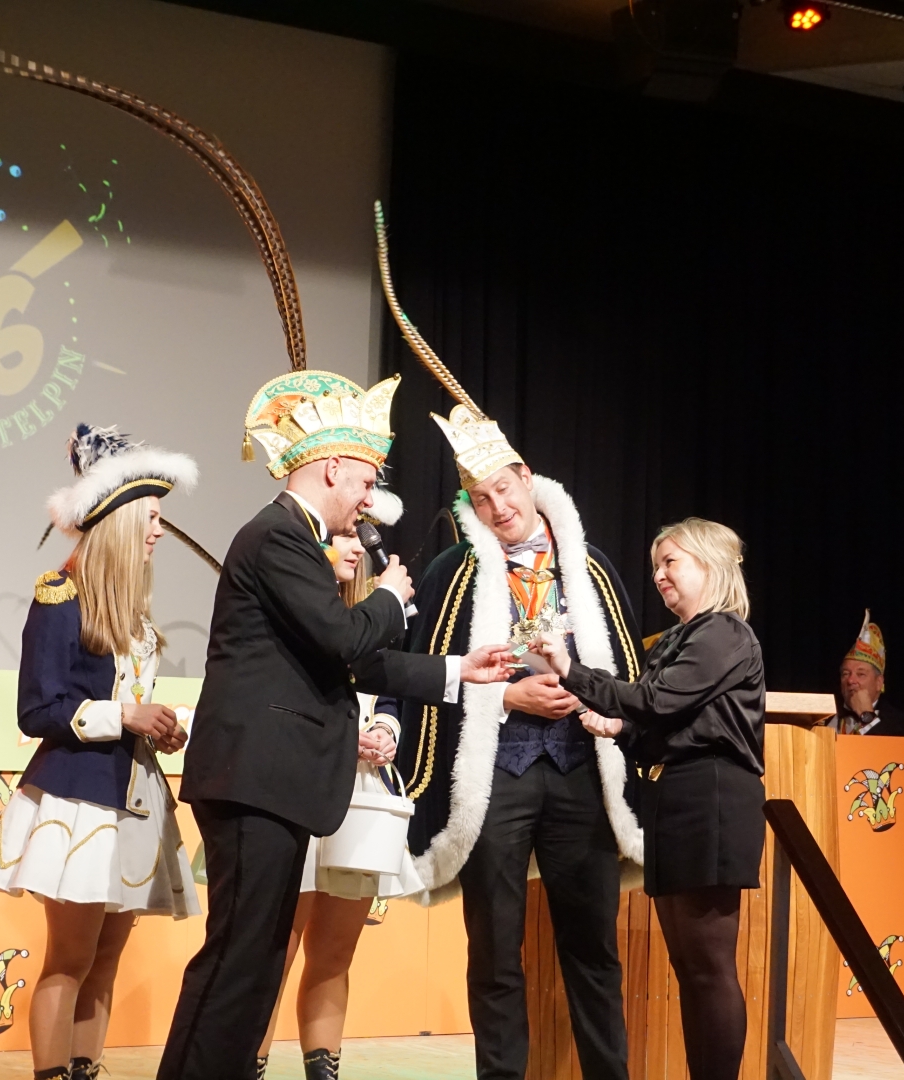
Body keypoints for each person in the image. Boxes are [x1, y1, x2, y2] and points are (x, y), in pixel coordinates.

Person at [160, 372, 514, 1080]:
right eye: (366, 481)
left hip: (274, 784)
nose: (369, 500)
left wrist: (456, 670)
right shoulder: (278, 536)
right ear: (331, 469)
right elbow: (345, 639)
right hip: (254, 781)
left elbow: (350, 661)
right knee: (237, 959)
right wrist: (388, 597)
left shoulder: (295, 538)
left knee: (257, 961)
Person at [383, 409, 644, 1080]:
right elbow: (422, 672)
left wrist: (588, 695)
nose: (499, 508)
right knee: (495, 950)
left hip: (580, 768)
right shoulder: (452, 571)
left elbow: (627, 673)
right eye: (481, 499)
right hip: (497, 773)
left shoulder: (591, 568)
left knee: (592, 949)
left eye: (504, 489)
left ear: (527, 478)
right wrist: (506, 697)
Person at [0, 424, 201, 1080]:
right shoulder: (59, 597)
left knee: (105, 962)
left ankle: (86, 1068)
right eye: (151, 518)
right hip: (77, 802)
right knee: (69, 960)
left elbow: (129, 704)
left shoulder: (135, 613)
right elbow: (37, 710)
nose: (159, 531)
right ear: (120, 520)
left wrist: (160, 726)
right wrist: (124, 714)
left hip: (133, 797)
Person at [532, 517, 764, 1080]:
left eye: (671, 562)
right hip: (675, 798)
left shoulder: (724, 632)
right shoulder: (680, 638)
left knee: (708, 964)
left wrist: (570, 671)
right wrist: (621, 729)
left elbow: (657, 701)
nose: (659, 575)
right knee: (688, 965)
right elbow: (662, 718)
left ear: (710, 564)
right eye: (656, 565)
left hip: (710, 799)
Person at [257, 488, 424, 1080]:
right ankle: (248, 1061)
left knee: (335, 951)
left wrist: (385, 729)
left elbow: (395, 687)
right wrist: (336, 736)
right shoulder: (290, 603)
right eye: (346, 535)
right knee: (275, 945)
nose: (356, 547)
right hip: (296, 784)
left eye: (362, 537)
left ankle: (323, 1068)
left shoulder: (379, 615)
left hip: (362, 793)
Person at [826, 611, 904, 736]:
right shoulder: (824, 717)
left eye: (861, 674)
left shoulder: (900, 724)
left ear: (879, 682)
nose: (851, 680)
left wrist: (866, 716)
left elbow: (888, 748)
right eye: (845, 674)